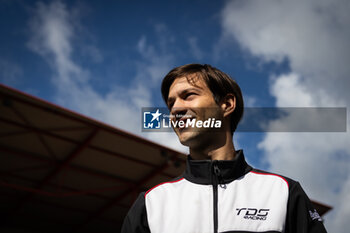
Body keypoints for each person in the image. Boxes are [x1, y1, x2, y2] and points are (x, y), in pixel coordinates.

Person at [121, 64, 327, 233]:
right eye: (171, 103)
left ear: (227, 104)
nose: (175, 109)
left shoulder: (283, 192)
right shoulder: (151, 204)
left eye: (189, 95)